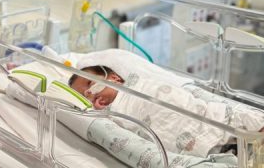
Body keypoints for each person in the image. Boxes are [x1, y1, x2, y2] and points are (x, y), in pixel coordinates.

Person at [69, 66, 264, 157]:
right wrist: (105, 110)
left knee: (246, 123)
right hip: (189, 146)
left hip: (206, 118)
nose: (89, 93)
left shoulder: (139, 84)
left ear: (114, 78)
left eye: (90, 83)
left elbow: (177, 96)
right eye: (84, 95)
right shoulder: (110, 115)